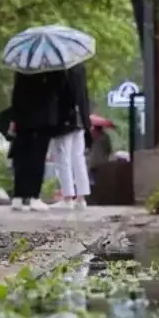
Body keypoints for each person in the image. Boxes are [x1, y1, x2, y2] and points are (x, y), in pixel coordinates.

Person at [8, 70, 63, 211]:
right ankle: (33, 196)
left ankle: (19, 196)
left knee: (22, 158)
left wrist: (14, 118)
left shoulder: (23, 68)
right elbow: (57, 90)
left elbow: (16, 95)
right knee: (37, 158)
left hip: (23, 120)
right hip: (42, 120)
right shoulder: (52, 69)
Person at [50, 64, 93, 210]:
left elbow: (58, 97)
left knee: (63, 159)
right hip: (80, 118)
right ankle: (81, 197)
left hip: (64, 120)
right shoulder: (79, 68)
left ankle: (68, 197)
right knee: (78, 158)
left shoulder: (58, 69)